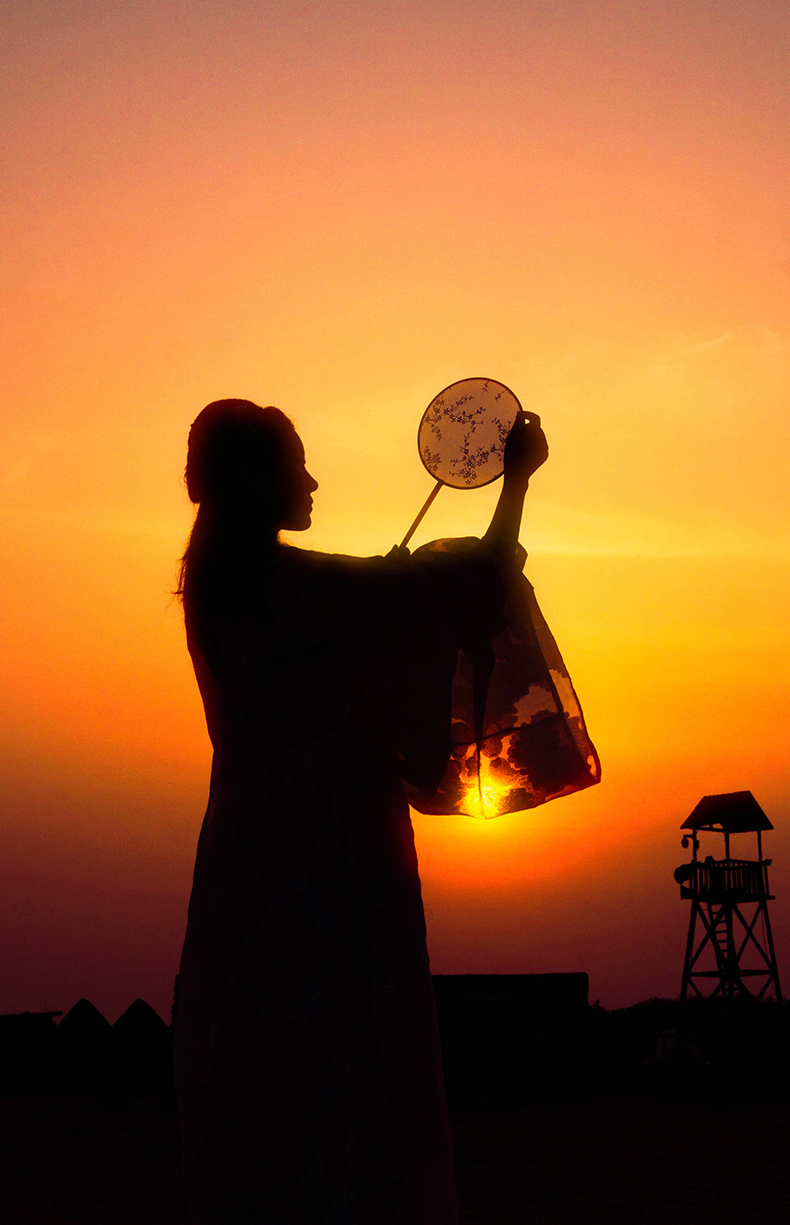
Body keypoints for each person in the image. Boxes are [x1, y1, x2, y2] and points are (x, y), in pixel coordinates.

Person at [172, 396, 548, 1225]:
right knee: (343, 1100)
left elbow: (402, 602)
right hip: (322, 871)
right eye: (294, 462)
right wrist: (515, 480)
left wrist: (386, 607)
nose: (311, 479)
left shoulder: (233, 588)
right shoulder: (285, 588)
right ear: (252, 478)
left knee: (265, 1112)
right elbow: (475, 588)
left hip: (245, 871)